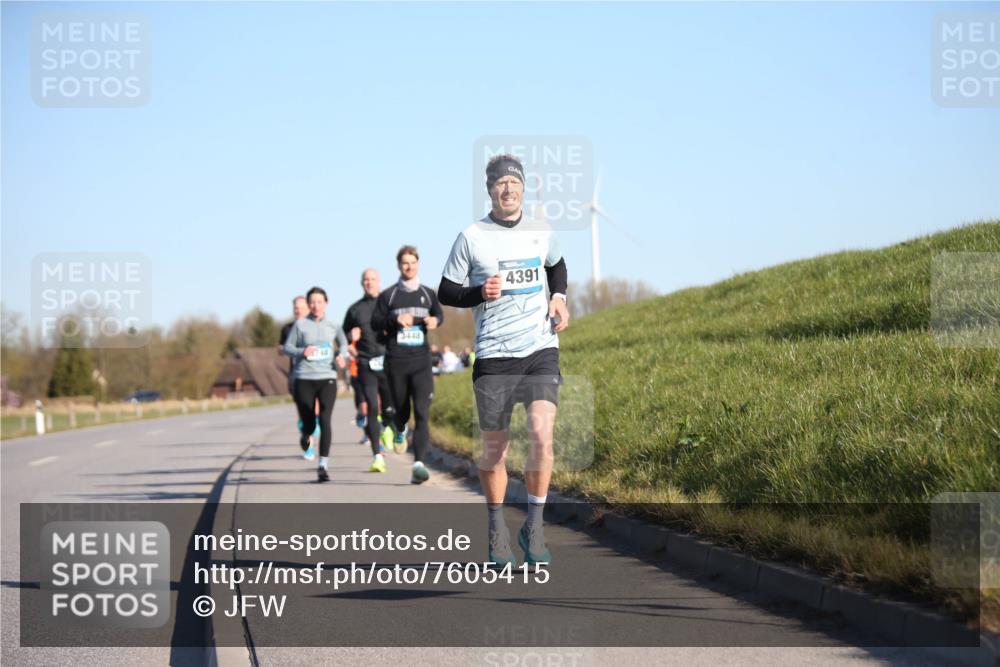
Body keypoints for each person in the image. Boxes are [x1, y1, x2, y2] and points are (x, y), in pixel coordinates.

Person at [439, 153, 569, 567]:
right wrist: (479, 293)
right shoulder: (472, 237)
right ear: (490, 189)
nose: (507, 189)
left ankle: (534, 526)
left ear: (523, 187)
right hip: (494, 355)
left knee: (541, 436)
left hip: (540, 350)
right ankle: (496, 531)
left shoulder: (540, 229)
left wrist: (560, 298)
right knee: (495, 450)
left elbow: (557, 264)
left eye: (514, 183)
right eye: (500, 184)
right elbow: (446, 291)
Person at [372, 245, 443, 485]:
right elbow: (375, 322)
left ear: (418, 264)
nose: (409, 267)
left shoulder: (428, 293)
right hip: (396, 362)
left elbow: (439, 315)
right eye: (405, 263)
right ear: (398, 266)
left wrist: (435, 320)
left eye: (413, 262)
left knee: (422, 412)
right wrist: (394, 319)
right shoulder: (389, 295)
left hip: (421, 361)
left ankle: (419, 465)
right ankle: (400, 428)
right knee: (402, 412)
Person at [283, 286, 348, 483]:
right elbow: (287, 347)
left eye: (319, 302)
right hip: (304, 378)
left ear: (326, 304)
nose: (316, 306)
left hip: (327, 377)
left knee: (326, 419)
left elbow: (343, 344)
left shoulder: (334, 325)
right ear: (308, 304)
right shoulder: (300, 325)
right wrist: (302, 351)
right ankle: (306, 434)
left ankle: (323, 465)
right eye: (312, 302)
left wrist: (341, 356)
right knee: (309, 422)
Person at [343, 268, 397, 473]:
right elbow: (345, 339)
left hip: (388, 361)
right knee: (372, 408)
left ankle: (390, 428)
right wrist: (350, 339)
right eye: (366, 279)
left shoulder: (389, 304)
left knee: (391, 408)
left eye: (373, 279)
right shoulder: (354, 310)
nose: (369, 282)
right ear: (361, 283)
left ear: (379, 281)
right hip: (366, 362)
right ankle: (377, 456)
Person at [279, 296, 319, 453]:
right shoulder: (287, 329)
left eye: (301, 308)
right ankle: (308, 442)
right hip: (296, 375)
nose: (298, 311)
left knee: (314, 409)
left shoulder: (315, 326)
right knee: (303, 409)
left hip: (316, 373)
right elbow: (280, 348)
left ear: (308, 308)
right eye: (296, 308)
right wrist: (286, 349)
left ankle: (312, 431)